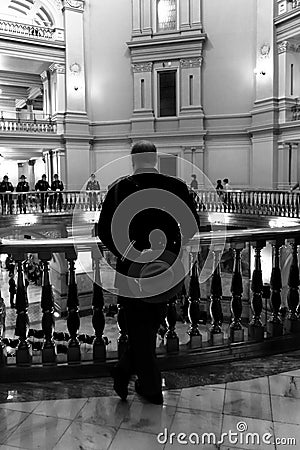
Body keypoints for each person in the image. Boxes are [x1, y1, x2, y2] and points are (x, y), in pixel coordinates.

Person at [98, 140, 200, 404]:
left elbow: (104, 231)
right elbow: (191, 227)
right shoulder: (176, 187)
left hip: (132, 268)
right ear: (154, 160)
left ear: (133, 161)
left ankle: (150, 387)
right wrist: (169, 252)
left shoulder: (119, 188)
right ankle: (127, 373)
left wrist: (129, 252)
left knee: (138, 325)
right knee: (151, 320)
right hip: (167, 268)